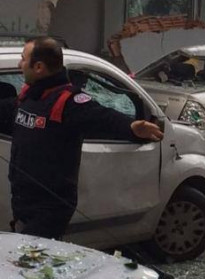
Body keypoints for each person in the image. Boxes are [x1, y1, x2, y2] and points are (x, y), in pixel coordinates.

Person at [0, 37, 163, 240]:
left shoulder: (68, 101)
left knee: (32, 253)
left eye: (23, 59)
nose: (19, 64)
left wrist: (131, 127)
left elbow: (103, 117)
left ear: (39, 67)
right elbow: (8, 110)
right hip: (23, 198)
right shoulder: (30, 96)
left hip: (50, 206)